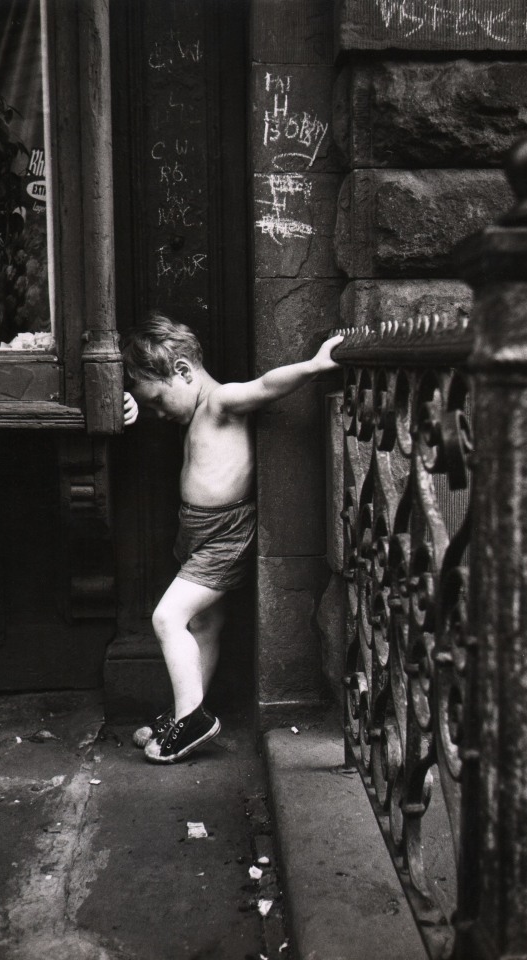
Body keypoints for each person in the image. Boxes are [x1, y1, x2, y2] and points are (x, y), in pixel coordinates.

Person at [122, 312, 343, 764]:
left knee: (168, 619)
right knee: (204, 624)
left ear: (182, 371)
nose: (159, 415)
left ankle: (193, 721)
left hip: (226, 536)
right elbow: (152, 401)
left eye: (159, 402)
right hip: (198, 533)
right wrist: (124, 405)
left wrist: (316, 365)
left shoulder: (220, 401)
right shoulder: (191, 408)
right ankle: (187, 710)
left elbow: (264, 385)